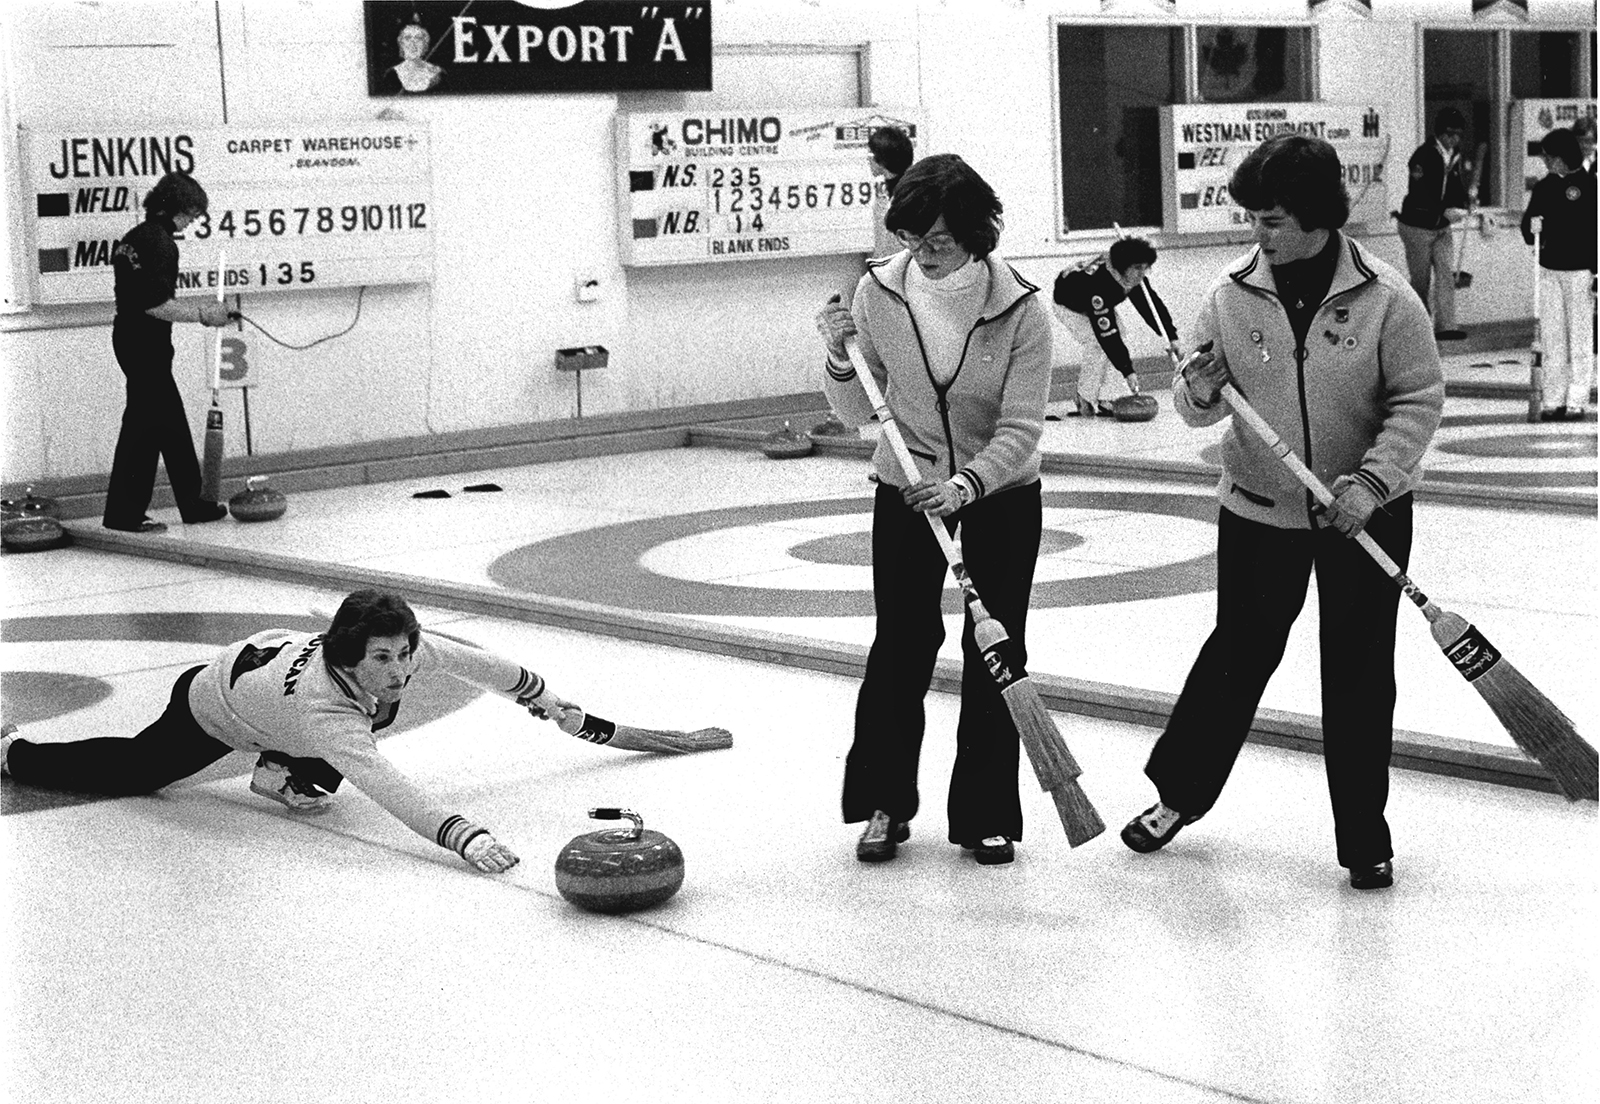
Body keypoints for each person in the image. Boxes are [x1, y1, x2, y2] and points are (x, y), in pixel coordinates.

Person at [1121, 135, 1444, 891]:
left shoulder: (1386, 297)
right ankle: (1177, 796)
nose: (1257, 234)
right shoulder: (1230, 294)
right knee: (1238, 653)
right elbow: (1197, 409)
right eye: (1253, 219)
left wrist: (1373, 480)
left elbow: (1419, 399)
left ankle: (1364, 833)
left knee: (1360, 671)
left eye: (1271, 220)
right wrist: (1199, 387)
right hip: (1259, 507)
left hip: (1363, 509)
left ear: (1318, 217)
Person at [0, 590, 686, 874]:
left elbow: (489, 667)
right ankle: (13, 751)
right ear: (345, 656)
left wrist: (549, 702)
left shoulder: (402, 650)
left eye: (404, 652)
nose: (400, 667)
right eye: (383, 659)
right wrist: (466, 836)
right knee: (136, 771)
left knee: (373, 717)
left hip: (266, 688)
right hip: (213, 706)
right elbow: (392, 788)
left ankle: (281, 770)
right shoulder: (324, 710)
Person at [813, 153, 1053, 867]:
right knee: (902, 646)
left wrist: (968, 487)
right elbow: (861, 409)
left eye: (939, 242)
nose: (923, 256)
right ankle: (885, 802)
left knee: (995, 652)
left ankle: (985, 813)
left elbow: (1022, 428)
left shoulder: (1021, 309)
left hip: (1001, 495)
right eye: (912, 241)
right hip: (905, 492)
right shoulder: (877, 294)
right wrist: (835, 359)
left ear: (978, 232)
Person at [103, 171, 234, 534]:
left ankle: (195, 503)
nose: (193, 221)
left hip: (130, 339)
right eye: (192, 213)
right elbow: (155, 304)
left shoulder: (134, 238)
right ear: (178, 208)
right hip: (145, 341)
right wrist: (204, 315)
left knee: (168, 423)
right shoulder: (161, 243)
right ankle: (124, 514)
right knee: (143, 430)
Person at [1051, 237, 1179, 417]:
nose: (1142, 274)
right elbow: (1107, 336)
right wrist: (1128, 371)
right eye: (1137, 268)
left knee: (1121, 336)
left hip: (1097, 303)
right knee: (1097, 344)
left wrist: (1171, 337)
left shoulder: (1132, 275)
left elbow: (1151, 307)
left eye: (1145, 268)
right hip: (1070, 305)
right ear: (1122, 268)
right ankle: (1084, 397)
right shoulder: (1099, 285)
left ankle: (1108, 398)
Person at [1520, 127, 1596, 421]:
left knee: (1579, 336)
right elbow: (1527, 228)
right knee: (1553, 337)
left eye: (1550, 157)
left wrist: (1597, 273)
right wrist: (1532, 227)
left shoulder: (1590, 186)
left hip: (1580, 271)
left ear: (1565, 156)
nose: (1547, 163)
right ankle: (1553, 398)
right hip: (1549, 270)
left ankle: (1577, 398)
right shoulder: (1544, 187)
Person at [1395, 107, 1474, 342]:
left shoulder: (1455, 154)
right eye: (1450, 134)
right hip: (1417, 226)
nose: (1454, 139)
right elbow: (1420, 193)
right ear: (1439, 133)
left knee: (1446, 275)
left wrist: (1463, 203)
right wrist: (1443, 211)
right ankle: (1419, 326)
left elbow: (1455, 185)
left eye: (1458, 134)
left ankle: (1446, 326)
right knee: (1420, 279)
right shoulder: (1423, 156)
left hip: (1440, 226)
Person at [867, 125, 915, 257]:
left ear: (882, 159)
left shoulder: (907, 199)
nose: (868, 159)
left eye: (871, 154)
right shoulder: (884, 193)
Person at [386, 20, 444, 93]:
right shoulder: (391, 75)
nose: (413, 43)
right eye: (407, 38)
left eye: (418, 38)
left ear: (425, 44)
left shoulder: (438, 74)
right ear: (401, 43)